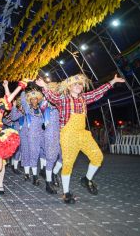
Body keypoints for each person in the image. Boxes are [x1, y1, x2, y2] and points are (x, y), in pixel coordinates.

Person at [36, 74, 125, 203]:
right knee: (68, 164)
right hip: (68, 134)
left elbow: (97, 92)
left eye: (80, 84)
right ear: (69, 87)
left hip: (82, 133)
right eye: (75, 84)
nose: (78, 86)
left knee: (97, 157)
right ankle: (66, 193)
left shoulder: (84, 98)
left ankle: (87, 179)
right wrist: (44, 86)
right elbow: (52, 97)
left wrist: (113, 81)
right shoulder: (63, 99)